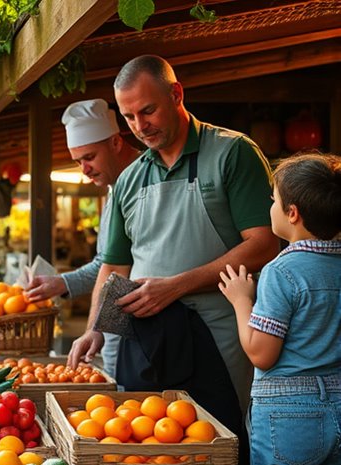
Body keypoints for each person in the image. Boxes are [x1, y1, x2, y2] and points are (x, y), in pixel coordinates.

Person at [68, 55, 279, 409]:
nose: (140, 125)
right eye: (129, 117)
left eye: (147, 111)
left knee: (221, 445)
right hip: (147, 341)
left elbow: (264, 245)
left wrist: (176, 286)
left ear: (176, 94)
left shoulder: (232, 153)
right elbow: (115, 268)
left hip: (219, 334)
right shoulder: (130, 178)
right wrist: (96, 329)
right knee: (148, 444)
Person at [219, 152, 341, 465]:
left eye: (272, 200)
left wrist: (241, 301)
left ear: (291, 213)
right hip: (338, 410)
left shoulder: (281, 271)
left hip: (289, 417)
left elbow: (261, 353)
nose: (268, 207)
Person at [25, 98, 141, 378]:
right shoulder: (114, 190)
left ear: (115, 142)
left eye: (89, 157)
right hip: (114, 325)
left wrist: (95, 327)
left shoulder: (141, 181)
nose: (84, 169)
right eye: (78, 161)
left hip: (141, 327)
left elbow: (116, 267)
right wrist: (61, 283)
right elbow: (106, 262)